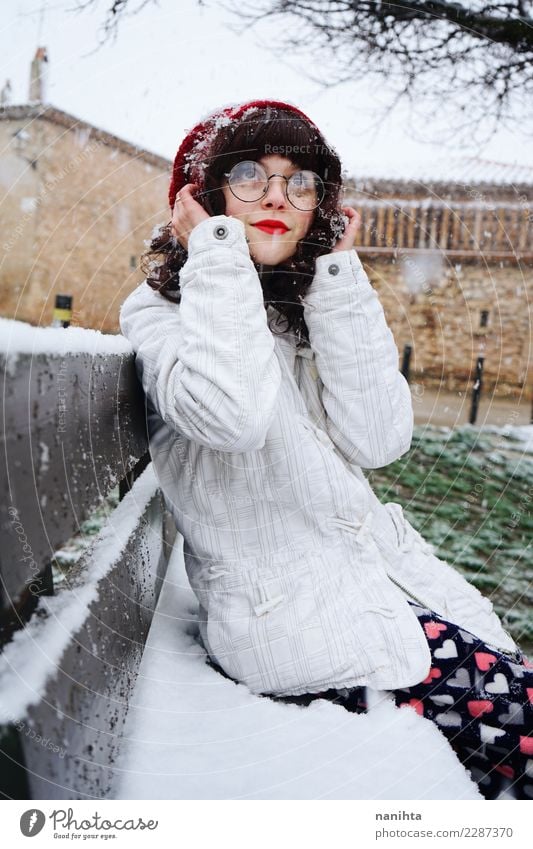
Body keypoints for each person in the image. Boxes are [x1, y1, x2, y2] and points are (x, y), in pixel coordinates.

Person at [119, 99, 533, 800]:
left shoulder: (300, 314)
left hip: (376, 601)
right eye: (248, 174)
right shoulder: (164, 313)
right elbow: (233, 416)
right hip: (301, 630)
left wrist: (338, 281)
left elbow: (379, 439)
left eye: (300, 181)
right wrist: (216, 255)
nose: (277, 195)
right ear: (200, 197)